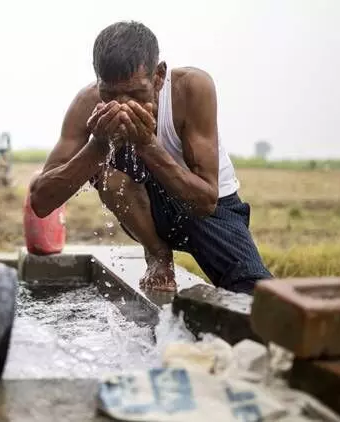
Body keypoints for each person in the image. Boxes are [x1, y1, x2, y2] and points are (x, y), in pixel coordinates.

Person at [29, 21, 273, 294]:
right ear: (98, 81)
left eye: (136, 93)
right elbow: (41, 200)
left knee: (254, 291)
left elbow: (206, 201)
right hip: (145, 210)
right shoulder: (87, 103)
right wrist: (98, 146)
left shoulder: (191, 89)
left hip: (208, 209)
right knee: (109, 175)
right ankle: (158, 254)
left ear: (158, 76)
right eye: (109, 94)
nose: (122, 105)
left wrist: (147, 143)